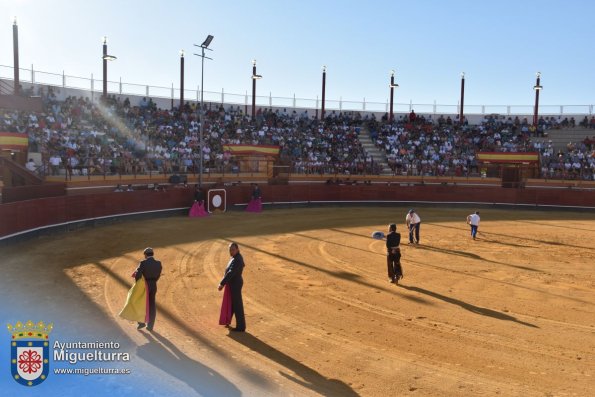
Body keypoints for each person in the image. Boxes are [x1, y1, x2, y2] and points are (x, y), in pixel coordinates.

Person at [218, 242, 246, 332]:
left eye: (233, 250)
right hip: (234, 282)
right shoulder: (237, 257)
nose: (231, 251)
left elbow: (231, 272)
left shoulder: (237, 259)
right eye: (230, 250)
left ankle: (241, 327)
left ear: (237, 249)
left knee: (237, 305)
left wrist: (222, 283)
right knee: (233, 303)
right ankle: (227, 320)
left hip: (235, 284)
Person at [135, 247, 162, 331]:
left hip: (145, 285)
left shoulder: (143, 263)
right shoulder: (158, 263)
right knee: (152, 305)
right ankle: (150, 326)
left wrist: (138, 284)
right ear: (152, 254)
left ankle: (141, 322)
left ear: (145, 255)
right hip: (154, 285)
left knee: (140, 303)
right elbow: (158, 275)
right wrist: (153, 282)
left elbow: (138, 275)